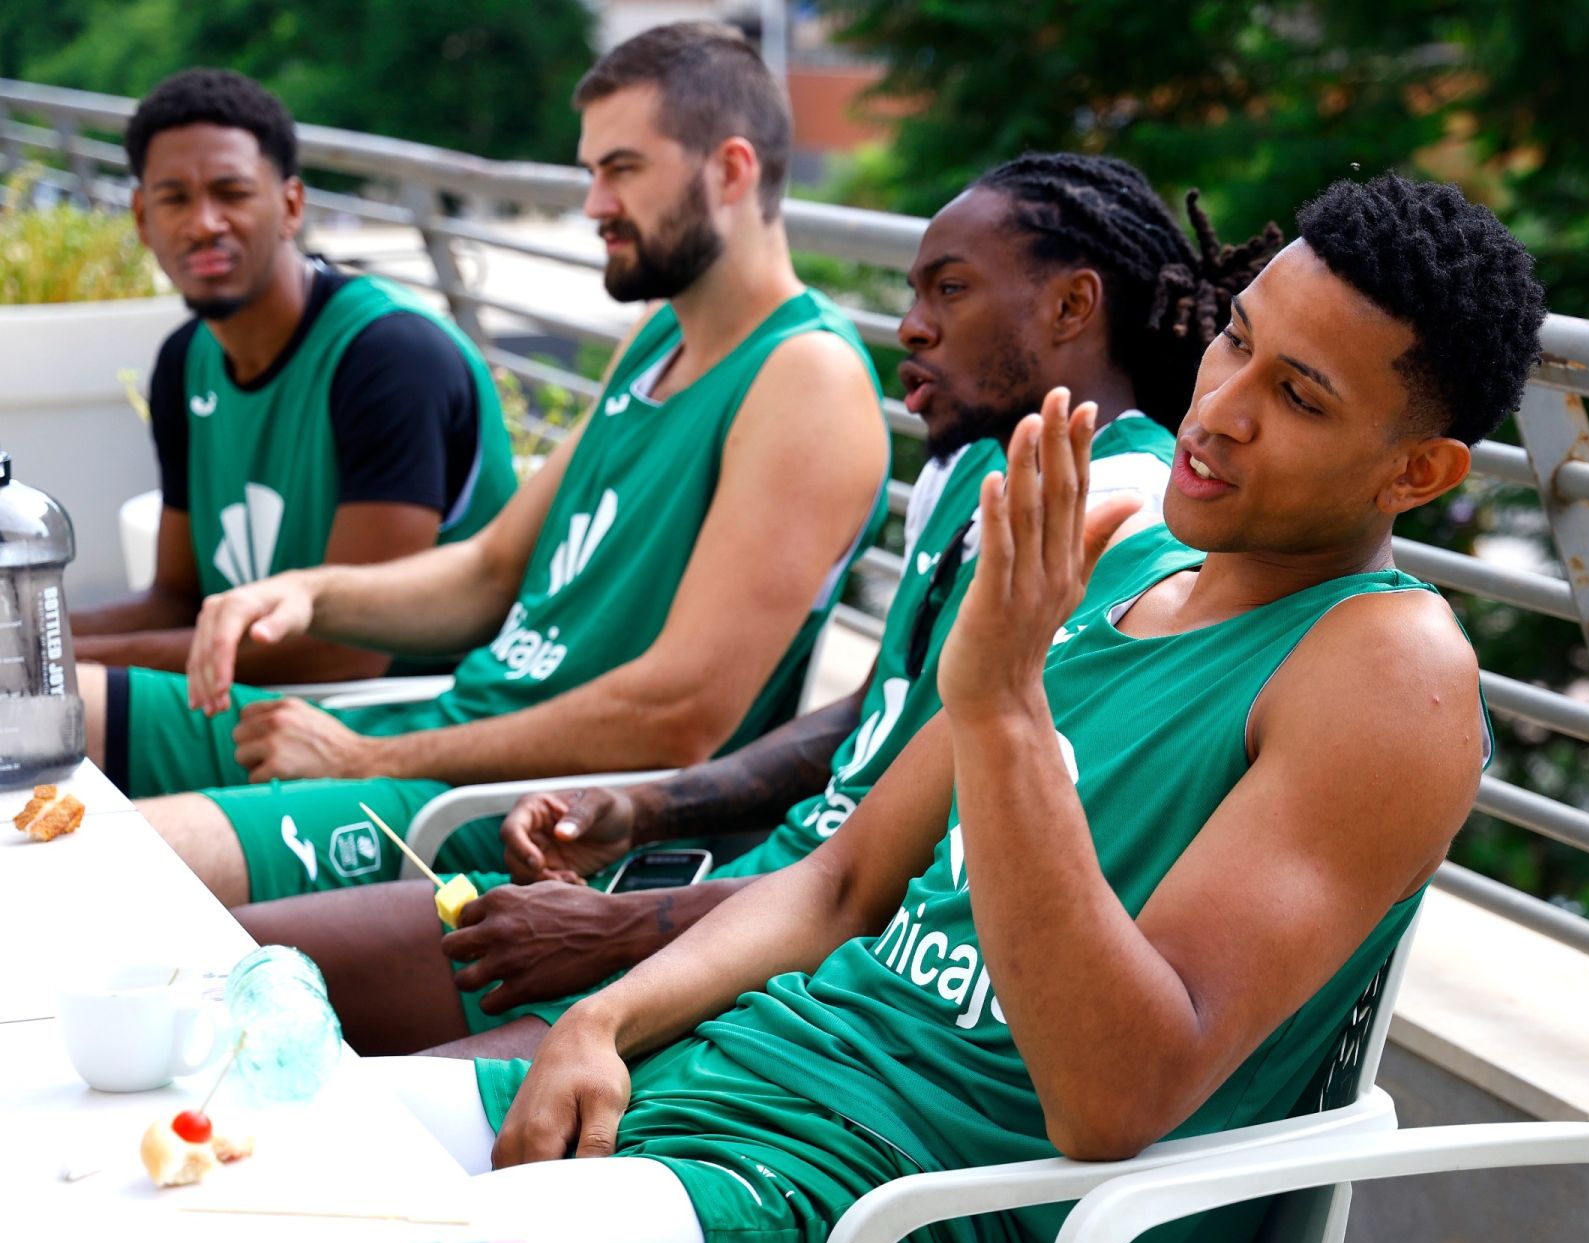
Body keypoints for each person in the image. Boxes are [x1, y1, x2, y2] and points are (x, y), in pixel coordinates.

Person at [369, 172, 1545, 1243]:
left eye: (1297, 395)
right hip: (737, 1082)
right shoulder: (1113, 566)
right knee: (251, 1145)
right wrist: (600, 1020)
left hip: (901, 1199)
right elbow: (841, 886)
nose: (1221, 409)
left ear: (1417, 474)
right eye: (1237, 337)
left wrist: (1001, 711)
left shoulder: (1387, 667)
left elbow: (1111, 1096)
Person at [240, 153, 1288, 1062]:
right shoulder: (978, 474)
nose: (908, 327)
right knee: (235, 970)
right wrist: (648, 807)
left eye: (949, 290)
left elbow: (937, 856)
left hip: (796, 970)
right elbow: (892, 715)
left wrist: (628, 933)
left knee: (341, 1103)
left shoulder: (1118, 523)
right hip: (737, 891)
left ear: (1070, 307)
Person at [79, 22, 892, 909]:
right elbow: (489, 568)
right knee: (42, 703)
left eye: (621, 169)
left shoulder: (807, 377)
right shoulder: (661, 337)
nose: (593, 204)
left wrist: (371, 758)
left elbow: (680, 714)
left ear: (731, 170)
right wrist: (309, 592)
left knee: (91, 871)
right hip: (450, 730)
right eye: (590, 173)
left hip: (527, 812)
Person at [71, 68, 517, 684]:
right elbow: (177, 599)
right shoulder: (185, 361)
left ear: (290, 205)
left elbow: (351, 653)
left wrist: (56, 664)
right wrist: (33, 634)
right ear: (143, 218)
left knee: (58, 714)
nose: (204, 222)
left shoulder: (390, 356)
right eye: (175, 198)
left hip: (404, 712)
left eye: (231, 192)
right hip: (255, 696)